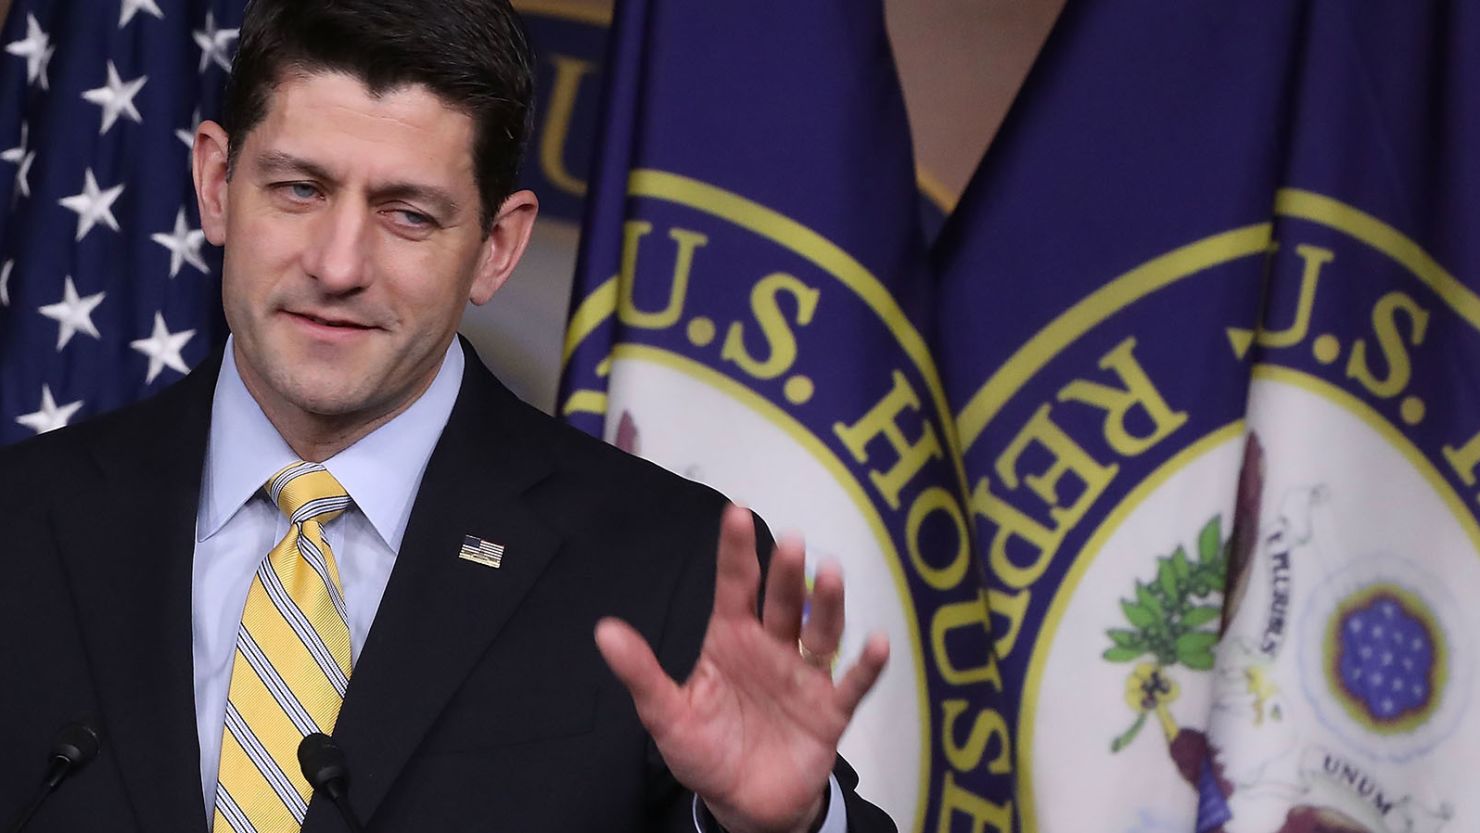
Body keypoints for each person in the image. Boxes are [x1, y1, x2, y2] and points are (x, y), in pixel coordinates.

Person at [0, 1, 896, 831]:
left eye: (406, 214)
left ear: (495, 248)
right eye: (300, 189)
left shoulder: (667, 562)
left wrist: (778, 825)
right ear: (216, 182)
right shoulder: (20, 524)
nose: (339, 264)